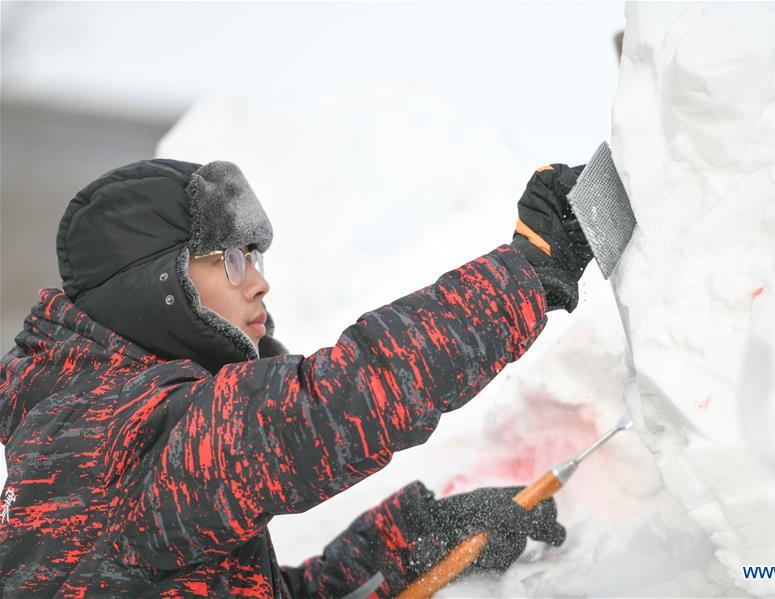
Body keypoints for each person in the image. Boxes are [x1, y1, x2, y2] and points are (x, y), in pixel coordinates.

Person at [0, 157, 602, 597]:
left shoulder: (104, 423)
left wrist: (414, 540)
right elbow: (335, 407)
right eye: (230, 260)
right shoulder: (107, 433)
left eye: (255, 257)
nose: (258, 282)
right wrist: (526, 275)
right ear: (154, 284)